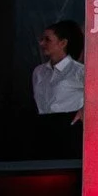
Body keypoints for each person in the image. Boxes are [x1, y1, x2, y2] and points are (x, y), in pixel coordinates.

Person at [31, 19, 85, 159]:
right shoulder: (39, 71)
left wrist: (85, 110)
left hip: (69, 127)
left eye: (47, 40)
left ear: (63, 43)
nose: (42, 43)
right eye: (41, 39)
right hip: (42, 127)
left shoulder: (79, 71)